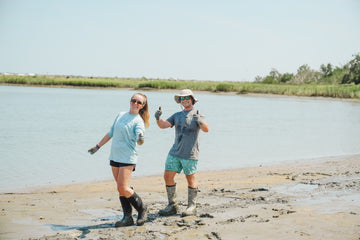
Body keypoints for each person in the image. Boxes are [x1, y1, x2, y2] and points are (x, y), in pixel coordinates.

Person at [88, 93, 150, 227]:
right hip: (115, 156)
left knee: (123, 187)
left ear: (142, 106)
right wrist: (98, 146)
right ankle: (127, 218)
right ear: (130, 101)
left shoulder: (138, 121)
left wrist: (141, 139)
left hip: (128, 157)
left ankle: (142, 208)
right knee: (121, 188)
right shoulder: (121, 114)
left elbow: (140, 139)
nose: (135, 103)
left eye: (139, 102)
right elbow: (111, 133)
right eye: (134, 100)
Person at [155, 89, 209, 217]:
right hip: (174, 152)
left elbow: (206, 129)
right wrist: (158, 118)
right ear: (179, 101)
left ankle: (191, 206)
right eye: (182, 98)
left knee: (190, 178)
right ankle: (172, 205)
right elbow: (163, 125)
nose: (184, 100)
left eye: (187, 98)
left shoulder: (198, 113)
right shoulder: (176, 115)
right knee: (167, 176)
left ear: (192, 99)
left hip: (190, 154)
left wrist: (199, 120)